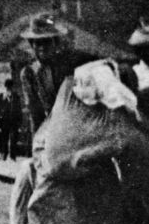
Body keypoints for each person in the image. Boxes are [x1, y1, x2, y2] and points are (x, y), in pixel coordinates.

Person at [18, 14, 93, 157]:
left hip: (77, 129)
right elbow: (36, 115)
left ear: (55, 42)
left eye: (46, 42)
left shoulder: (69, 66)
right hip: (51, 133)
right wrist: (37, 152)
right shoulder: (29, 74)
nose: (41, 47)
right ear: (31, 44)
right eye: (36, 43)